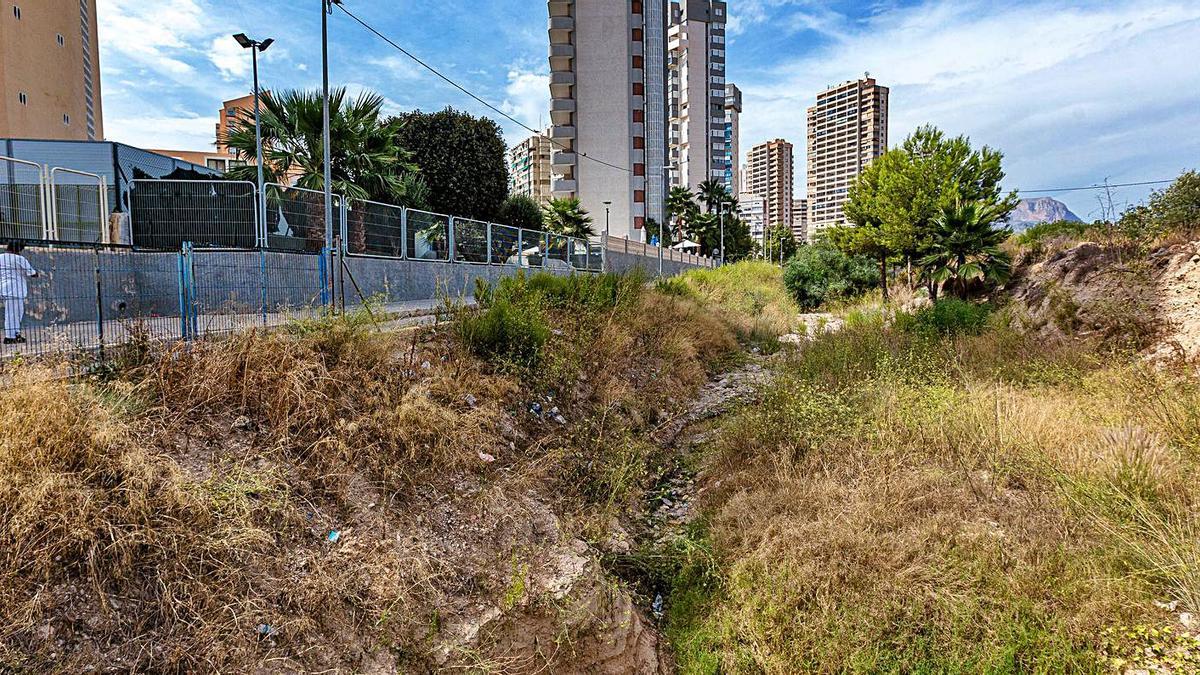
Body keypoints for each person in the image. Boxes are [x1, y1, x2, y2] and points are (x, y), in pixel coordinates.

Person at [0, 241, 38, 345]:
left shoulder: (1, 257)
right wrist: (36, 273)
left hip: (3, 288)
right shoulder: (19, 259)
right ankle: (9, 337)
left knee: (16, 313)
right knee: (13, 314)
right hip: (15, 290)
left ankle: (16, 334)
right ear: (18, 249)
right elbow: (32, 273)